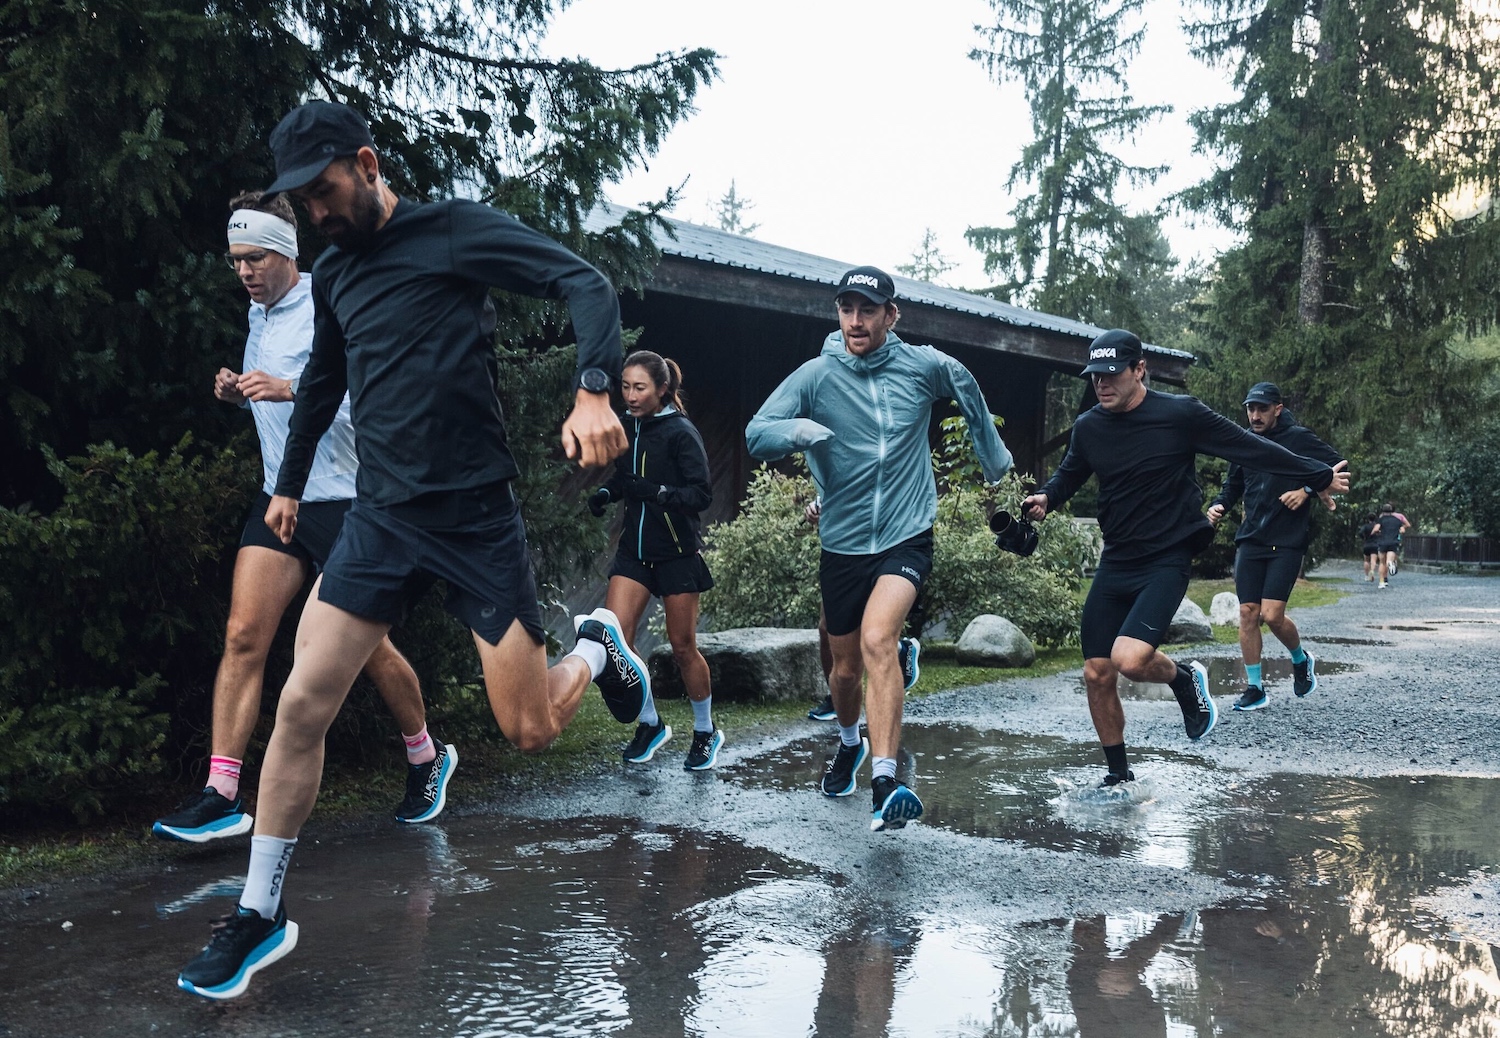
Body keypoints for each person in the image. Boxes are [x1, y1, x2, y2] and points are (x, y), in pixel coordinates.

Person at [176, 101, 647, 1001]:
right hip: (381, 518)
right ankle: (259, 912)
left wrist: (595, 391)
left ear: (367, 162)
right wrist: (286, 487)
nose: (315, 214)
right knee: (301, 704)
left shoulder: (453, 233)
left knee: (530, 729)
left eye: (324, 192)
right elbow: (322, 383)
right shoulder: (338, 277)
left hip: (474, 518)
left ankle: (598, 647)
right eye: (301, 202)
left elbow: (587, 285)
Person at [153, 192, 452, 843]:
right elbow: (273, 397)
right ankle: (222, 794)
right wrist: (239, 391)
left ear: (287, 252)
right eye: (236, 260)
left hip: (350, 501)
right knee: (242, 635)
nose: (245, 271)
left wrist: (292, 386)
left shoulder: (335, 301)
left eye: (255, 257)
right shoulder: (260, 312)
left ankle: (428, 757)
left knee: (360, 650)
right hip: (279, 497)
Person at [746, 266, 1014, 832]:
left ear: (892, 316)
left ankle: (886, 782)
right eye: (847, 309)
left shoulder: (922, 367)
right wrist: (801, 432)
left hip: (906, 532)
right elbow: (756, 431)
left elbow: (965, 382)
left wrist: (995, 462)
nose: (856, 320)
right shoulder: (816, 376)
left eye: (868, 310)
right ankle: (850, 742)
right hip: (842, 543)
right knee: (843, 671)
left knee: (878, 640)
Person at [1022, 330, 1348, 789]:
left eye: (1112, 374)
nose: (1102, 384)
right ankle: (1118, 774)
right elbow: (1070, 473)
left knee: (1130, 660)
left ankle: (1183, 679)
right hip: (1118, 559)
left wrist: (1316, 475)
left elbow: (1251, 447)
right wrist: (1046, 498)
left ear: (1140, 370)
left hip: (1166, 558)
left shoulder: (1180, 414)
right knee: (1097, 672)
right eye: (1095, 376)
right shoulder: (1090, 426)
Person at [585, 350, 724, 770]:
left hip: (677, 555)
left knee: (683, 648)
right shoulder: (629, 427)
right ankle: (651, 725)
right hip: (635, 553)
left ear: (662, 389)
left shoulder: (682, 433)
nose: (629, 395)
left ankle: (705, 731)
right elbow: (627, 479)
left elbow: (700, 495)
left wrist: (659, 493)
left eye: (639, 387)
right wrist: (610, 492)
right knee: (617, 643)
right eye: (625, 386)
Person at [1205, 382, 1344, 711]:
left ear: (1278, 409)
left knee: (1272, 614)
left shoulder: (1298, 438)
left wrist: (1307, 490)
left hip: (1286, 539)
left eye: (1262, 409)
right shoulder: (1243, 440)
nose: (1254, 415)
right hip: (1251, 537)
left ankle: (1300, 659)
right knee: (1247, 613)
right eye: (1250, 408)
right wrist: (1220, 504)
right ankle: (1255, 688)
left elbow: (1337, 466)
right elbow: (1233, 483)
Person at [803, 497, 920, 722]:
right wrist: (817, 506)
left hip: (878, 547)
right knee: (827, 628)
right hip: (842, 549)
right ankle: (837, 696)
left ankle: (897, 651)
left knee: (862, 627)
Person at [1369, 504, 1409, 588]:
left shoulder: (1381, 520)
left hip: (1383, 542)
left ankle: (1381, 582)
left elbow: (1376, 529)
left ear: (1383, 511)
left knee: (1382, 563)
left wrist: (1377, 532)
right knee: (1388, 560)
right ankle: (1390, 563)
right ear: (1392, 511)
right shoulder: (1397, 520)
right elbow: (1402, 530)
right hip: (1393, 542)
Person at [1360, 513, 1381, 581]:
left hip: (1367, 544)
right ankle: (1372, 571)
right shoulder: (1377, 526)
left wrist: (1364, 538)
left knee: (1366, 560)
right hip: (1375, 544)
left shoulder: (1365, 526)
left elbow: (1360, 533)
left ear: (1368, 519)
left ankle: (1366, 576)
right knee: (1373, 560)